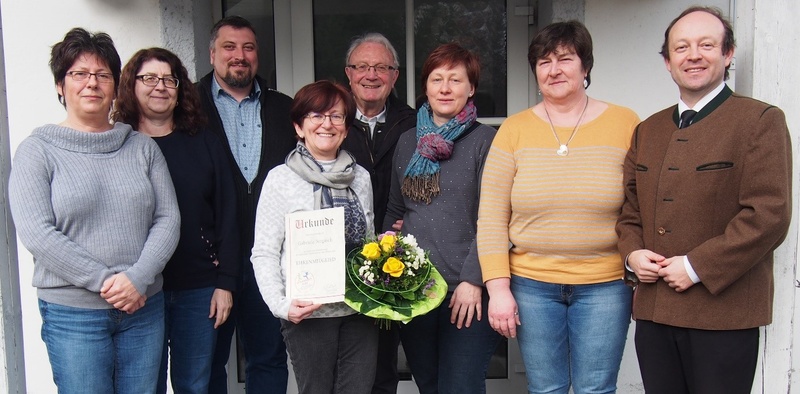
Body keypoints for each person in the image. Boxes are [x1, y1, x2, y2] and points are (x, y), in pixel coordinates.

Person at [615, 7, 792, 394]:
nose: (693, 55)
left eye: (706, 45)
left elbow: (769, 215)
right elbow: (630, 211)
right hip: (654, 312)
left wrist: (697, 267)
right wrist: (632, 256)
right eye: (681, 47)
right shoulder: (649, 129)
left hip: (724, 316)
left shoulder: (759, 121)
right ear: (667, 61)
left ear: (727, 54)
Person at [8, 28, 180, 394]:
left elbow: (168, 219)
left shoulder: (141, 147)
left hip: (143, 308)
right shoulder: (37, 150)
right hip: (74, 315)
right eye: (79, 74)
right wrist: (107, 282)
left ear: (115, 86)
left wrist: (137, 279)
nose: (92, 84)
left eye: (103, 75)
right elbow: (38, 232)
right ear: (60, 85)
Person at [477, 21, 639, 394]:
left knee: (595, 390)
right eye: (544, 61)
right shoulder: (514, 130)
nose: (554, 69)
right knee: (545, 390)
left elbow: (641, 206)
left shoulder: (626, 123)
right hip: (532, 285)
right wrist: (499, 288)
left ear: (586, 67)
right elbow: (491, 218)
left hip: (605, 283)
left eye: (565, 59)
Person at [113, 47, 240, 394]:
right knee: (143, 386)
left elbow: (228, 214)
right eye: (149, 78)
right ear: (131, 85)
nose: (161, 87)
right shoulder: (117, 145)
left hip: (199, 288)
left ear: (181, 88)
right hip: (139, 289)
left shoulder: (204, 144)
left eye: (169, 79)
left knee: (195, 384)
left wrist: (225, 283)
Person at [384, 42, 501, 394]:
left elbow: (497, 218)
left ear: (471, 88)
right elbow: (396, 210)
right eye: (437, 79)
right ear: (426, 87)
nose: (445, 88)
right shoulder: (407, 142)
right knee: (430, 385)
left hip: (466, 291)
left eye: (455, 80)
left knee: (460, 387)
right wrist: (386, 258)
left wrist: (473, 280)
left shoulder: (487, 141)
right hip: (415, 289)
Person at [251, 80, 378, 394]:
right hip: (308, 313)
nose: (327, 124)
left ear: (347, 128)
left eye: (336, 117)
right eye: (316, 116)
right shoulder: (280, 180)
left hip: (359, 310)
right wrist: (282, 305)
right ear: (299, 125)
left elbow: (370, 242)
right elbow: (264, 252)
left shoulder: (361, 178)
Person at [196, 16, 298, 394]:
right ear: (212, 54)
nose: (239, 56)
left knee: (269, 358)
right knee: (206, 363)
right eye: (229, 47)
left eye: (248, 48)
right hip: (209, 260)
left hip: (269, 259)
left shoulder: (283, 109)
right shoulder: (188, 105)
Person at [340, 32, 416, 394]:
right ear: (348, 73)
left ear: (395, 76)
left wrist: (412, 219)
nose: (372, 75)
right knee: (347, 364)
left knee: (386, 360)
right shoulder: (330, 120)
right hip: (341, 259)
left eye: (382, 67)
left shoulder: (415, 123)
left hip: (395, 258)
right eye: (362, 66)